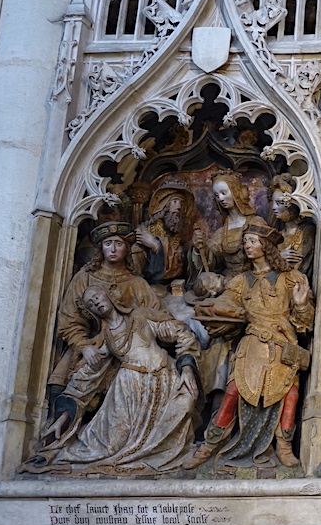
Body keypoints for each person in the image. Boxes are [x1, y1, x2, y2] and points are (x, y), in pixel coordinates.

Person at [184, 219, 314, 470]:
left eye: (252, 242)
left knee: (291, 394)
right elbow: (227, 305)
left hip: (283, 343)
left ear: (266, 246)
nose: (247, 246)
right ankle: (208, 446)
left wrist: (300, 304)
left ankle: (284, 447)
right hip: (252, 343)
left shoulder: (291, 279)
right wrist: (212, 305)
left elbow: (304, 324)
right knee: (233, 391)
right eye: (245, 242)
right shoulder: (239, 281)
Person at [28, 285, 200, 475]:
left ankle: (163, 456)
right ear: (90, 312)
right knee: (109, 446)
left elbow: (182, 333)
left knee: (185, 402)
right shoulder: (104, 339)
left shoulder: (141, 316)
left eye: (98, 296)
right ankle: (59, 456)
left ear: (109, 295)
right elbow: (86, 378)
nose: (97, 302)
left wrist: (186, 368)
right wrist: (65, 415)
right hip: (128, 391)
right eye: (91, 304)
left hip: (164, 377)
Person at [43, 222, 161, 441]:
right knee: (61, 377)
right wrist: (84, 347)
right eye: (108, 244)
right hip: (91, 343)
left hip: (132, 345)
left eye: (119, 244)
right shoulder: (84, 277)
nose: (113, 249)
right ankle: (59, 434)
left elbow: (156, 316)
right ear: (101, 249)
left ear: (127, 249)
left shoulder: (137, 283)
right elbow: (69, 320)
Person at [135, 178, 198, 285]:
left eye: (181, 203)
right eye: (174, 202)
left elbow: (181, 266)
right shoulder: (147, 231)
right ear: (164, 206)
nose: (178, 207)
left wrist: (156, 245)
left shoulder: (177, 235)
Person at [269, 175, 315, 276]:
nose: (273, 207)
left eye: (279, 203)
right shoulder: (278, 234)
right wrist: (279, 257)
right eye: (272, 203)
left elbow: (302, 266)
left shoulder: (306, 231)